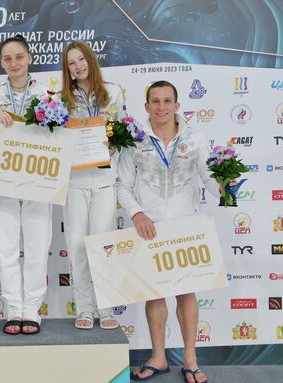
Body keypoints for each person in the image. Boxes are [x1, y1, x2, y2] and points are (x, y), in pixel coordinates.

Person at [117, 81, 215, 383]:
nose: (161, 107)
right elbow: (122, 185)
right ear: (146, 106)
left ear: (176, 105)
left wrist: (225, 187)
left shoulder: (195, 138)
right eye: (155, 101)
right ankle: (158, 358)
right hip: (150, 228)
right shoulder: (134, 139)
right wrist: (138, 213)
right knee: (155, 295)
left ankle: (190, 359)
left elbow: (209, 176)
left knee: (186, 293)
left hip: (186, 227)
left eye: (167, 101)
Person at [0, 35, 51, 335]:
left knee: (37, 246)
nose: (14, 63)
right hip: (5, 181)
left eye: (19, 57)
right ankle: (12, 309)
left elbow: (57, 138)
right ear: (1, 62)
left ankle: (31, 310)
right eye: (8, 58)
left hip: (38, 179)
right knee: (6, 247)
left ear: (29, 57)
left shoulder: (48, 95)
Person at [60, 40, 125, 330]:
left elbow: (124, 133)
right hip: (74, 182)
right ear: (68, 69)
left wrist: (114, 149)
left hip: (104, 180)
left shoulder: (113, 93)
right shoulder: (61, 99)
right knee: (77, 246)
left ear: (91, 60)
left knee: (104, 246)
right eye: (72, 63)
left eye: (82, 59)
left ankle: (106, 308)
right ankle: (85, 309)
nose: (78, 66)